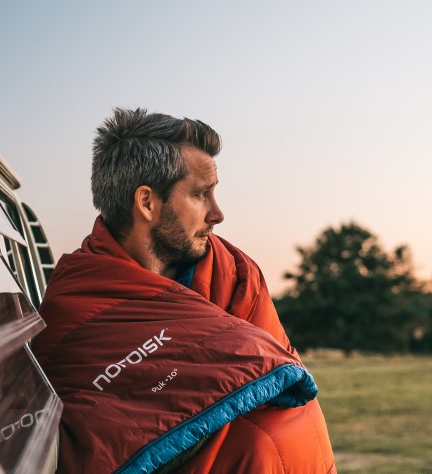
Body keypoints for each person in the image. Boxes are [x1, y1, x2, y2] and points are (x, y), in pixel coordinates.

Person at [29, 108, 335, 473]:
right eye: (201, 195)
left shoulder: (234, 273)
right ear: (147, 203)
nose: (217, 214)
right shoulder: (74, 306)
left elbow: (283, 396)